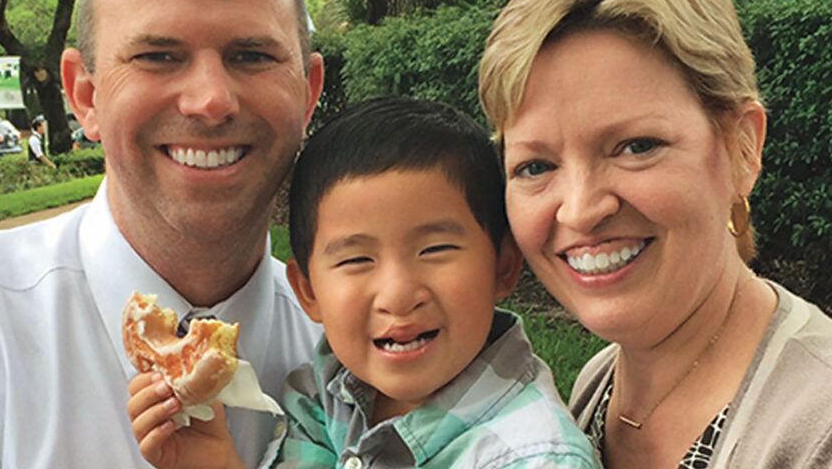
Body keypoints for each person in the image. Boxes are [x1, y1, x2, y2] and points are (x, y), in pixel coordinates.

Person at [478, 0, 832, 469]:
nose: (581, 207)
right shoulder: (602, 382)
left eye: (636, 146)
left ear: (741, 150)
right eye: (535, 165)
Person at [0, 0, 324, 467]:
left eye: (250, 55)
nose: (211, 100)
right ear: (85, 95)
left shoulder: (368, 351)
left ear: (308, 92)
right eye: (157, 55)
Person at [128, 97, 601, 468]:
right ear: (308, 291)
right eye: (356, 259)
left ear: (502, 267)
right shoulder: (322, 402)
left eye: (434, 250)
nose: (397, 294)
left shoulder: (532, 456)